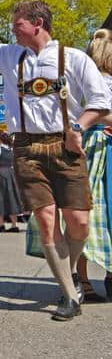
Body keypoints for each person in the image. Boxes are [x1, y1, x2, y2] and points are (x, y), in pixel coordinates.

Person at [0, 0, 111, 321]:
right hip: (26, 147)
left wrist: (78, 126)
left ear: (37, 24)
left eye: (18, 24)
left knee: (79, 224)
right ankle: (69, 295)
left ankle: (68, 270)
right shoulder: (10, 57)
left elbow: (101, 100)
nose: (13, 30)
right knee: (46, 220)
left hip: (66, 145)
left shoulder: (74, 59)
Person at [77, 28, 112, 302]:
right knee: (93, 211)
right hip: (96, 146)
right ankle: (91, 279)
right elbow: (97, 112)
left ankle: (85, 280)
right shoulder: (94, 81)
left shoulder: (83, 79)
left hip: (92, 146)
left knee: (89, 211)